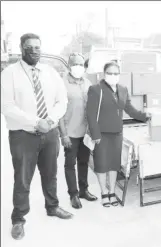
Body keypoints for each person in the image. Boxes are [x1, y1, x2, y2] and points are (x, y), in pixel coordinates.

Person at [1, 33, 73, 240]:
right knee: (23, 179)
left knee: (50, 174)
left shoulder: (50, 72)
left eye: (37, 47)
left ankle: (53, 206)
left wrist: (49, 121)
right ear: (22, 48)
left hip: (49, 134)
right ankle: (18, 219)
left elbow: (62, 101)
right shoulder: (9, 73)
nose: (34, 51)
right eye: (29, 47)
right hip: (23, 136)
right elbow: (6, 106)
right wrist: (35, 122)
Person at [86, 61, 150, 207]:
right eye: (110, 73)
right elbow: (90, 114)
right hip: (101, 134)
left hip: (117, 133)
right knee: (102, 164)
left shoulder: (122, 89)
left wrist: (146, 116)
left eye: (116, 73)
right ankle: (104, 192)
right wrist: (95, 134)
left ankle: (112, 192)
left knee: (114, 165)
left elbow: (130, 109)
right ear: (104, 73)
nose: (113, 76)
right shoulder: (96, 89)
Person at [58, 53, 98, 209]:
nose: (79, 67)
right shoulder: (62, 84)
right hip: (70, 133)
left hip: (85, 131)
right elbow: (59, 111)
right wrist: (63, 134)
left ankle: (83, 190)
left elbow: (92, 107)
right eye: (75, 64)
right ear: (69, 66)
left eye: (81, 64)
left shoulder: (87, 83)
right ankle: (73, 195)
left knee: (83, 162)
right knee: (70, 164)